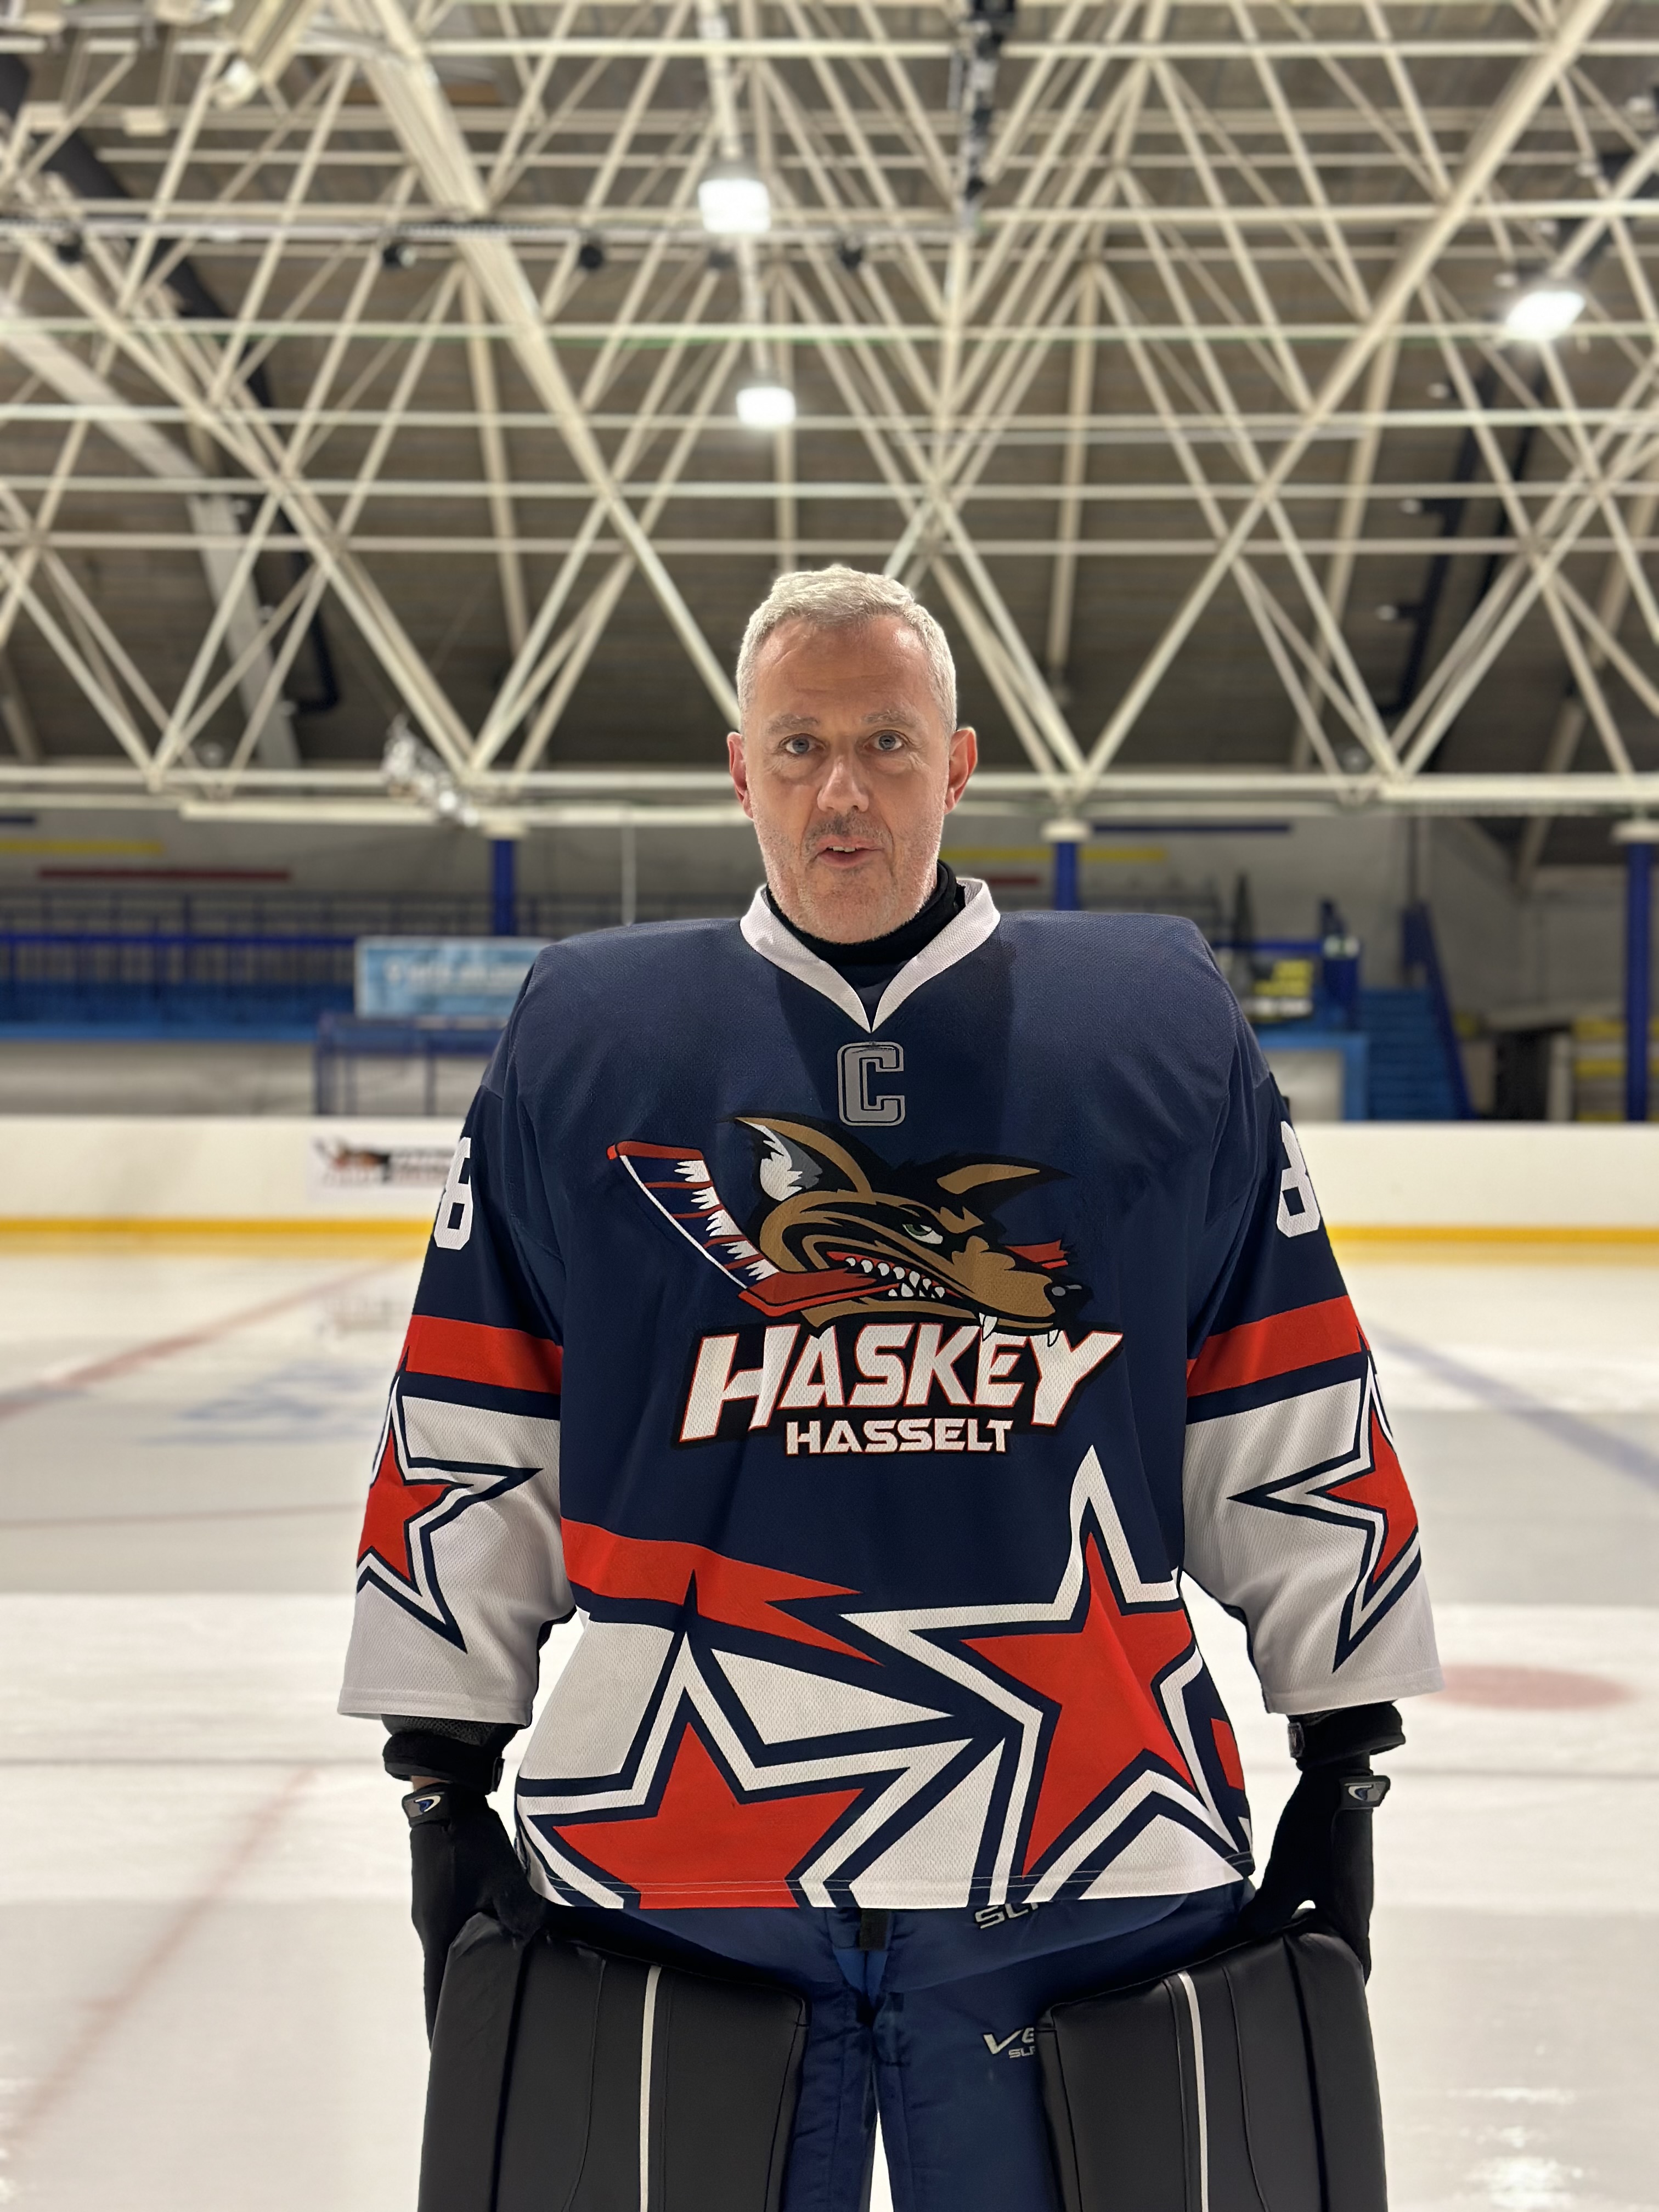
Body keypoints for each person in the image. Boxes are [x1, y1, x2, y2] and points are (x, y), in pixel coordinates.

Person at [340, 566, 1440, 2212]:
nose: (840, 790)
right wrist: (441, 1764)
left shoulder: (1155, 1024)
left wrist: (1345, 1746)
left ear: (959, 763)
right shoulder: (587, 1040)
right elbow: (480, 1405)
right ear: (740, 770)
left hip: (1081, 1845)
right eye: (798, 746)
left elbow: (1272, 1390)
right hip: (681, 1848)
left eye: (885, 742)